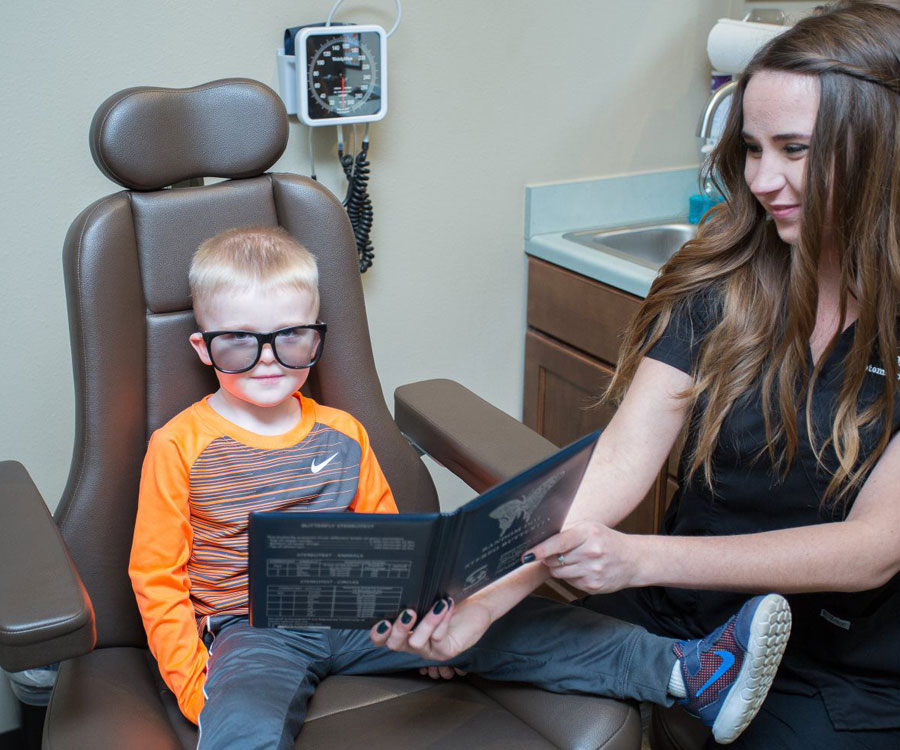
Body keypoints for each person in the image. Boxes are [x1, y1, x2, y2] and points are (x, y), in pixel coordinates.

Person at [372, 2, 900, 748]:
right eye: (751, 149)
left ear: (882, 146)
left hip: (840, 663)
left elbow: (875, 546)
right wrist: (491, 596)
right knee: (408, 637)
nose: (763, 179)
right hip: (682, 612)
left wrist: (641, 556)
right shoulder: (729, 278)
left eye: (795, 149)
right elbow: (620, 459)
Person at [129, 226, 789, 750]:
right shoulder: (181, 445)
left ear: (316, 337)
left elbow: (386, 548)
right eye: (241, 343)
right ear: (202, 346)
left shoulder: (342, 433)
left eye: (292, 339)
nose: (269, 360)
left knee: (519, 623)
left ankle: (687, 672)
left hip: (361, 616)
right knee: (242, 718)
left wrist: (423, 629)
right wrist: (198, 683)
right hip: (255, 630)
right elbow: (156, 578)